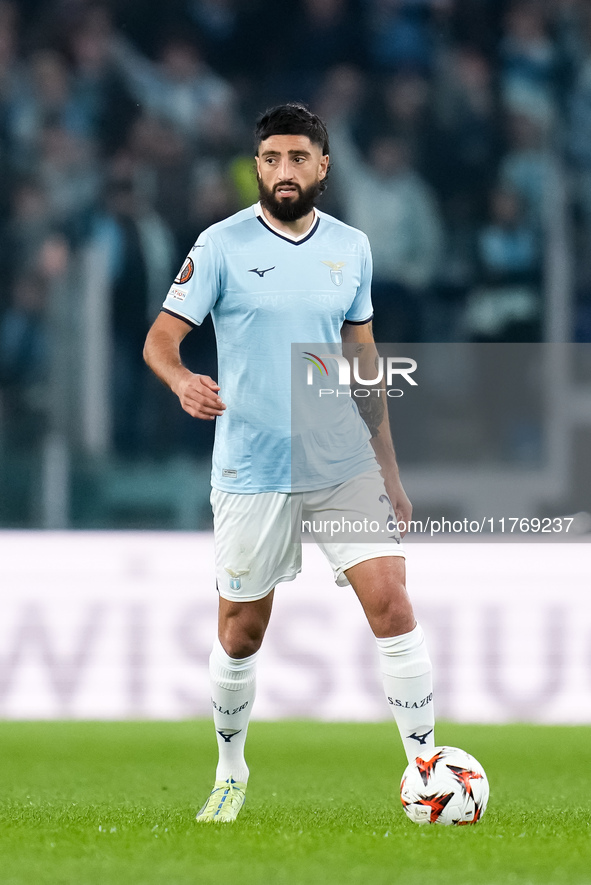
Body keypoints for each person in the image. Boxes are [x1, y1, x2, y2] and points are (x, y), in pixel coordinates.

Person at [143, 103, 435, 822]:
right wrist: (182, 381)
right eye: (270, 158)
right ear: (257, 165)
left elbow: (363, 366)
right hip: (252, 463)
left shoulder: (351, 248)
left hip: (340, 458)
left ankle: (427, 769)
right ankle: (230, 769)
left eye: (296, 158)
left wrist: (389, 472)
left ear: (322, 166)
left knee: (392, 602)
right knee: (241, 628)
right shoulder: (218, 245)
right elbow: (160, 339)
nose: (282, 171)